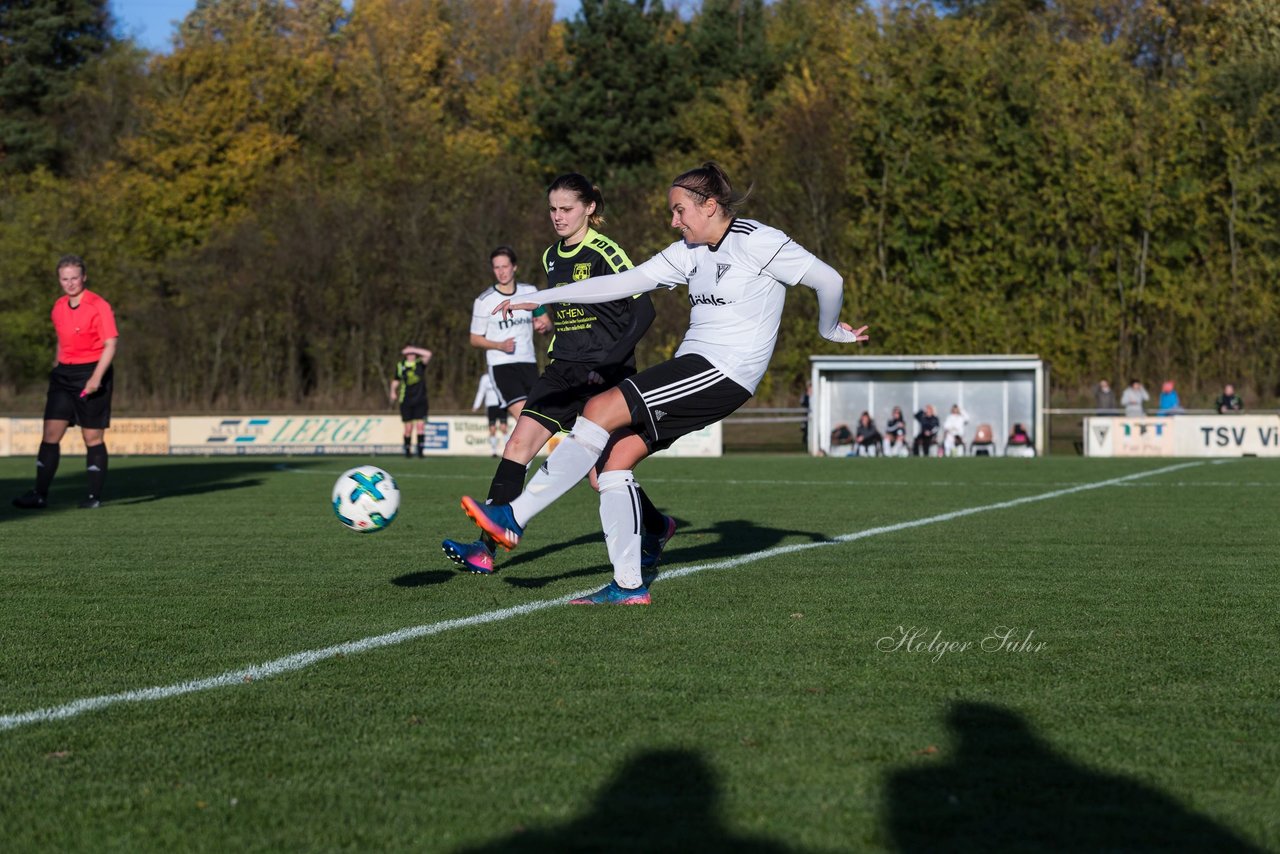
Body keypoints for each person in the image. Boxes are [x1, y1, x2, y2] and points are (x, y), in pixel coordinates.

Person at [464, 162, 869, 604]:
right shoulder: (688, 250)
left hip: (724, 370)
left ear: (710, 206)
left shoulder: (759, 241)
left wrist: (829, 330)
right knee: (612, 463)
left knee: (599, 408)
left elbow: (830, 279)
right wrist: (541, 296)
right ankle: (628, 586)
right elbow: (621, 283)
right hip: (697, 368)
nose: (673, 221)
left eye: (679, 211)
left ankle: (513, 518)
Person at [442, 173, 668, 575]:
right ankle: (486, 548)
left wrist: (610, 364)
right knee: (516, 448)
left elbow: (644, 310)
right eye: (553, 209)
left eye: (566, 209)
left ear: (589, 208)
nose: (558, 217)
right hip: (561, 371)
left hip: (605, 378)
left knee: (603, 478)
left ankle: (657, 526)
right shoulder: (550, 257)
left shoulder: (607, 252)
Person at [13, 255, 119, 510]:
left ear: (84, 277)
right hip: (63, 375)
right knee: (50, 434)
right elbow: (62, 339)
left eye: (74, 278)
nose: (70, 283)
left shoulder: (98, 305)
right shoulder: (59, 306)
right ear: (59, 280)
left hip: (92, 372)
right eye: (65, 279)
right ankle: (39, 494)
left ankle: (93, 497)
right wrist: (56, 365)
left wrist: (96, 378)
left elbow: (111, 343)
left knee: (92, 436)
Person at [469, 246, 549, 425]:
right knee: (525, 421)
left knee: (538, 419)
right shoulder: (484, 300)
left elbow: (547, 322)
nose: (501, 272)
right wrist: (500, 345)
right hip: (501, 365)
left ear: (514, 267)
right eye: (497, 267)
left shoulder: (530, 291)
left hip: (528, 362)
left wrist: (543, 326)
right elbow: (474, 339)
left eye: (505, 266)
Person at [389, 345, 432, 458]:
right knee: (408, 428)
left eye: (413, 353)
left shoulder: (419, 363)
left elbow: (428, 354)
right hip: (406, 400)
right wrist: (393, 391)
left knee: (420, 426)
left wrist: (413, 349)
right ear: (405, 355)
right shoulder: (401, 365)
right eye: (409, 353)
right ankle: (407, 450)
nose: (411, 355)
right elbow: (396, 380)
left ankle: (420, 451)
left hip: (420, 399)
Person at [472, 373, 508, 457]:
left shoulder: (502, 375)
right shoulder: (485, 378)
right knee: (492, 429)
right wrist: (476, 405)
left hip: (501, 405)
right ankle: (494, 451)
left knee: (503, 428)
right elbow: (481, 392)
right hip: (490, 406)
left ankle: (509, 451)